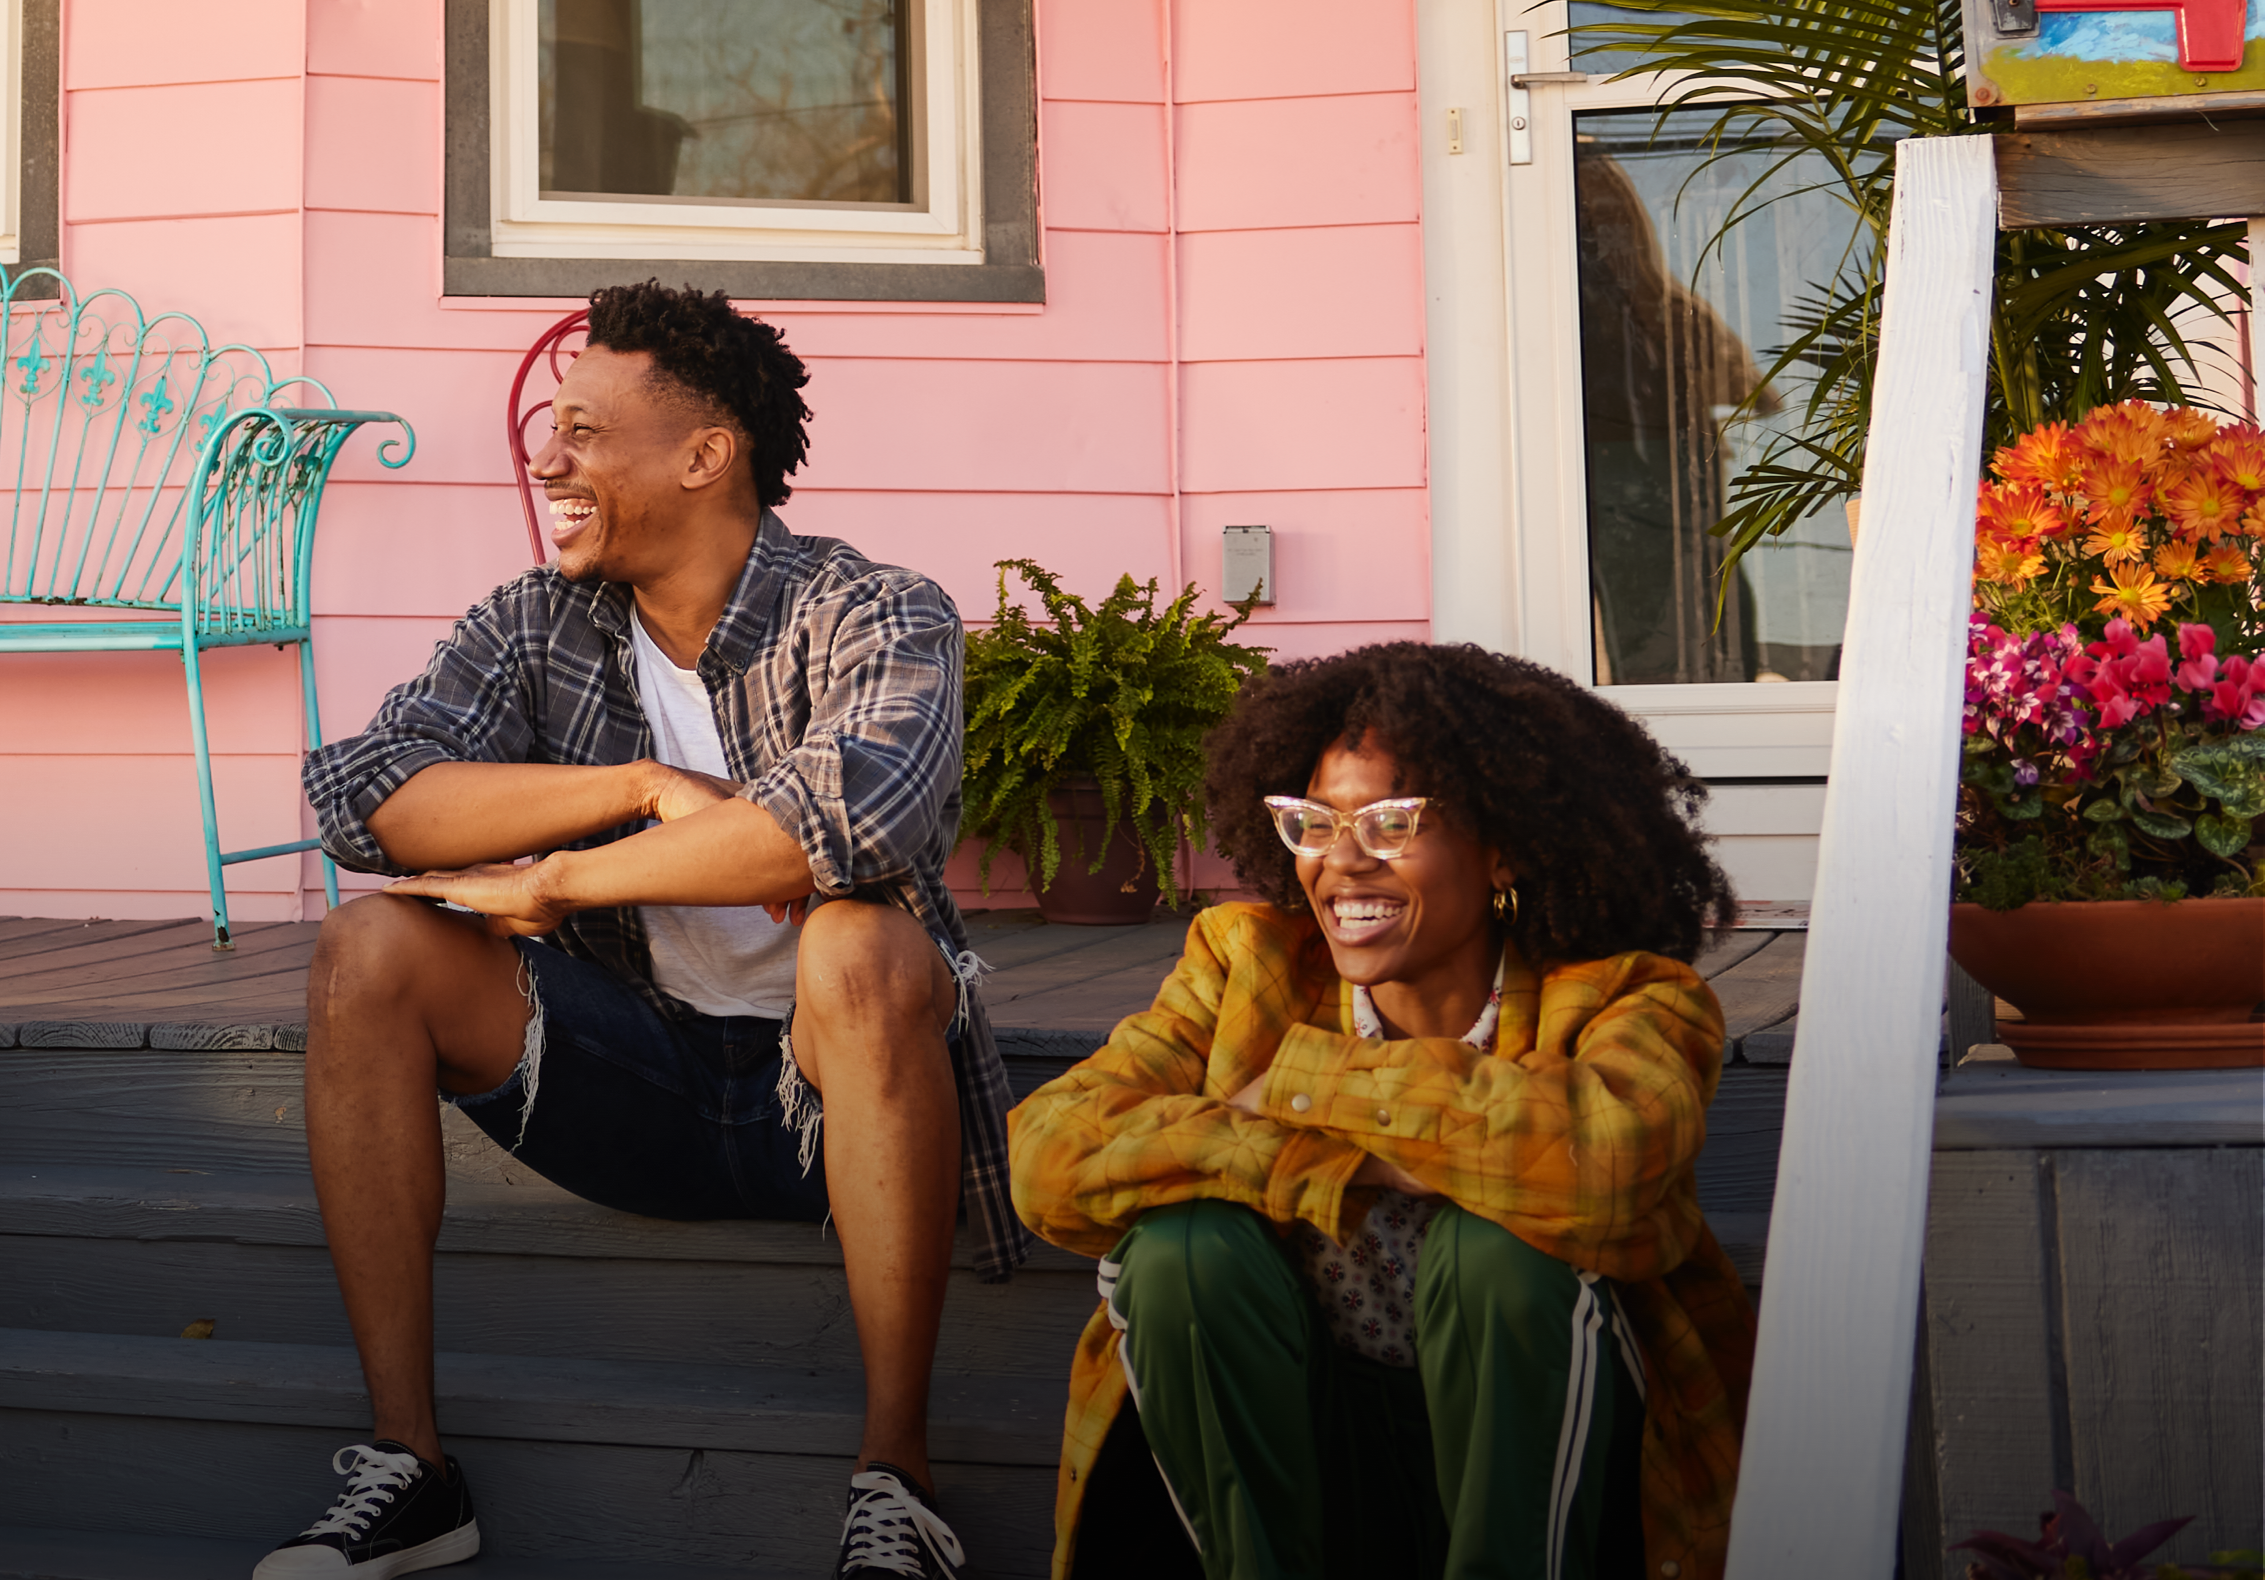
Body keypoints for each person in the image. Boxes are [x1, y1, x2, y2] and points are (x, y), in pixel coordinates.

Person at [270, 280, 1034, 1580]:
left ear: (703, 454)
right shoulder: (534, 622)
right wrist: (633, 792)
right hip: (637, 1081)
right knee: (369, 949)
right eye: (548, 427)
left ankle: (896, 1484)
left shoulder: (875, 611)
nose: (544, 453)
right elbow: (368, 796)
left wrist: (559, 883)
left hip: (835, 1100)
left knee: (858, 945)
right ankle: (413, 1466)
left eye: (582, 429)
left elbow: (849, 822)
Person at [1005, 643, 1758, 1580]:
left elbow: (1607, 1166)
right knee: (1182, 1252)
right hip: (1311, 1446)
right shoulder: (1245, 964)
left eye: (1392, 822)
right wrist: (1329, 1163)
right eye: (1313, 822)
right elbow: (1049, 1154)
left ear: (1503, 845)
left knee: (1499, 1249)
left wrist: (1295, 1094)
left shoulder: (1627, 1000)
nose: (1342, 861)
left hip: (1545, 1476)